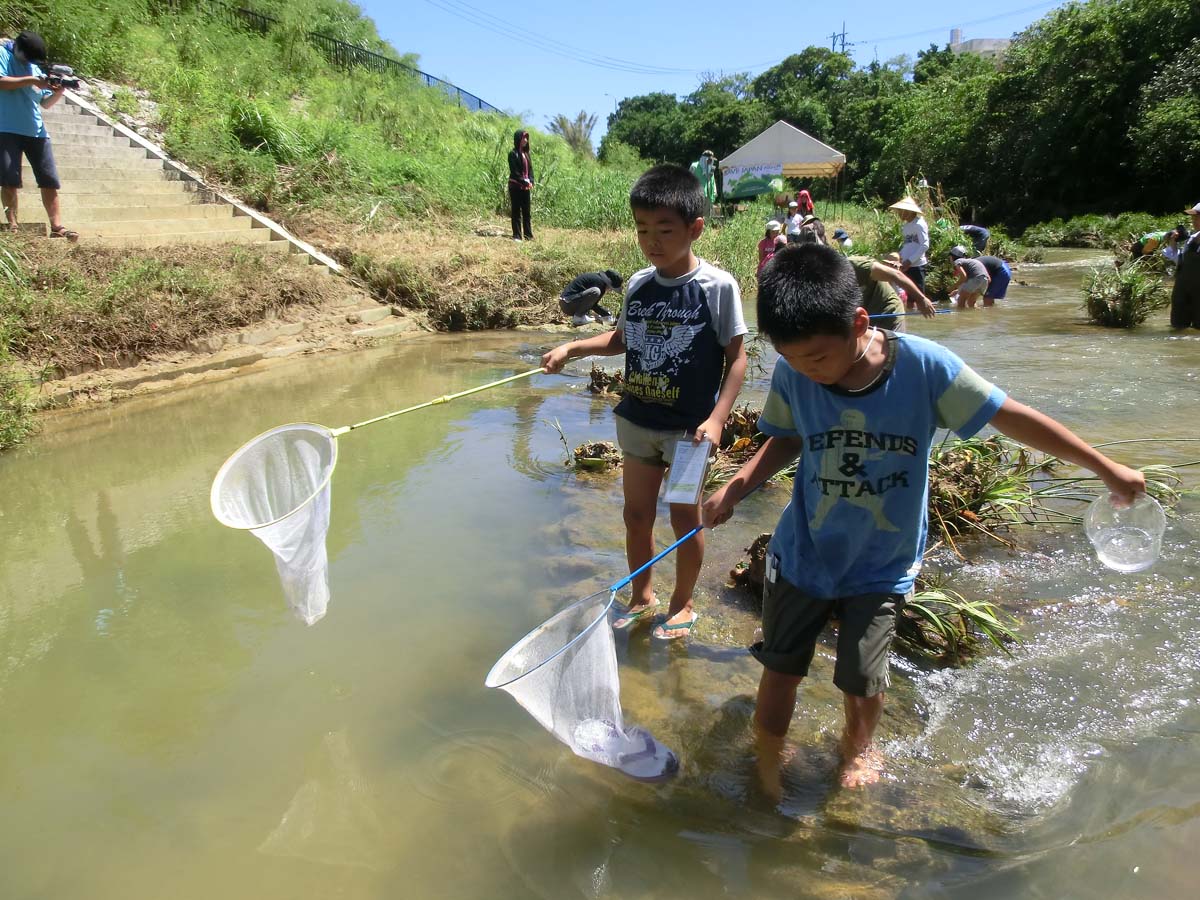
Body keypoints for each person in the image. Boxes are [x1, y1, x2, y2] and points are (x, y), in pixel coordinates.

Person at [701, 243, 1145, 789]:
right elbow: (787, 438)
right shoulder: (796, 374)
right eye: (793, 361)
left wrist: (1105, 468)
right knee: (781, 665)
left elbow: (1012, 417)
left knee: (863, 677)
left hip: (882, 559)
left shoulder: (925, 369)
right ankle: (767, 758)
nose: (807, 373)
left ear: (860, 323)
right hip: (804, 551)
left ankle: (857, 750)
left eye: (818, 358)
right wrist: (736, 489)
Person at [542, 164, 748, 640]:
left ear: (695, 228)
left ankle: (683, 602)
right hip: (636, 420)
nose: (651, 241)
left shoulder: (718, 287)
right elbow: (621, 340)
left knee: (684, 519)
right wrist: (572, 348)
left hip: (689, 431)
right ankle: (643, 595)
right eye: (642, 230)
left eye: (664, 230)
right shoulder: (637, 283)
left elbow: (737, 358)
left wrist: (719, 419)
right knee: (635, 514)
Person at [0, 31, 77, 240]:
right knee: (9, 180)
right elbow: (2, 82)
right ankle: (13, 225)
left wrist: (59, 91)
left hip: (36, 131)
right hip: (6, 128)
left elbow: (45, 103)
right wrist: (32, 79)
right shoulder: (3, 55)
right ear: (18, 48)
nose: (30, 62)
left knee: (49, 179)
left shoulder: (33, 66)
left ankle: (57, 226)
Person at [849, 255, 936, 328]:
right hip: (867, 320)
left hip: (890, 313)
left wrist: (921, 299)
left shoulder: (856, 265)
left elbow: (896, 274)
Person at [1164, 203, 1200, 329]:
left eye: (1197, 218)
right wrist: (1172, 243)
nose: (1194, 221)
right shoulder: (1191, 238)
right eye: (1193, 218)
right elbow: (1180, 262)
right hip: (1183, 290)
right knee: (1178, 328)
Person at [889, 197, 929, 296]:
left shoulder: (919, 224)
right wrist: (899, 258)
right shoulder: (906, 226)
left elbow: (925, 245)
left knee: (919, 295)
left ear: (908, 211)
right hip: (906, 265)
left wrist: (910, 261)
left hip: (917, 265)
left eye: (900, 211)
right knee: (909, 295)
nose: (898, 214)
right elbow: (908, 245)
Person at [508, 129, 533, 241]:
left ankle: (528, 235)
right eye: (524, 138)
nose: (526, 140)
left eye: (527, 138)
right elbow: (514, 171)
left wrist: (531, 180)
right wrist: (524, 181)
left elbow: (530, 170)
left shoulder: (526, 154)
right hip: (516, 186)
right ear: (518, 139)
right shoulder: (513, 154)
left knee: (527, 212)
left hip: (526, 187)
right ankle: (517, 235)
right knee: (516, 211)